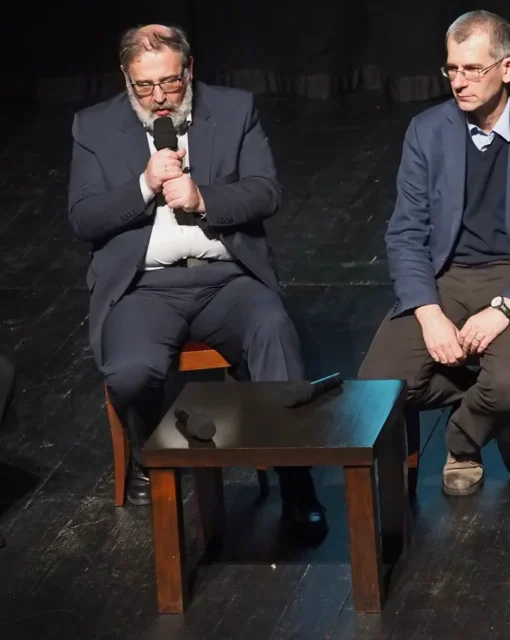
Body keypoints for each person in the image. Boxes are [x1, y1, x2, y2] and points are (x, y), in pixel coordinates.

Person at [67, 24, 326, 540]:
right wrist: (144, 186)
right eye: (144, 86)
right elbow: (83, 218)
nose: (159, 98)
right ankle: (147, 451)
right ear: (126, 78)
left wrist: (202, 198)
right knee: (131, 372)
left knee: (274, 334)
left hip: (228, 279)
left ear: (189, 70)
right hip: (145, 286)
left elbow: (264, 192)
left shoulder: (233, 110)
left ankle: (297, 481)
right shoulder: (93, 127)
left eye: (169, 83)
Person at [358, 10, 510, 496]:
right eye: (452, 70)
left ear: (507, 69)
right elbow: (405, 232)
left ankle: (464, 440)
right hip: (446, 275)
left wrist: (504, 310)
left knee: (506, 386)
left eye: (472, 70)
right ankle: (503, 417)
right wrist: (428, 313)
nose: (458, 83)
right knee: (379, 387)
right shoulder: (428, 130)